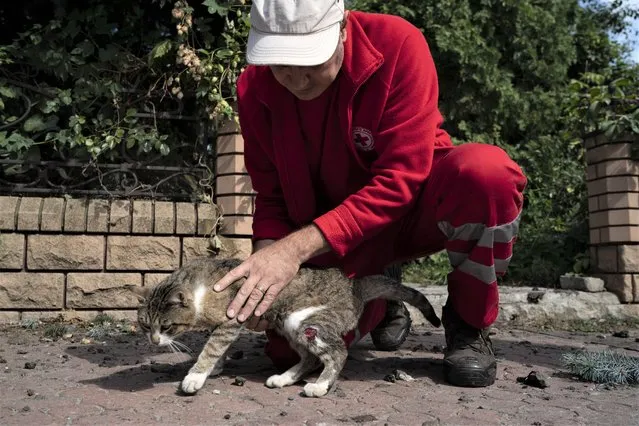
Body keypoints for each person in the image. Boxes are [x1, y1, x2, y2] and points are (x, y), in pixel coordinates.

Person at [213, 0, 527, 388]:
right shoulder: (254, 88)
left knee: (487, 174)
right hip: (338, 236)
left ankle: (468, 324)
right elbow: (272, 196)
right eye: (280, 63)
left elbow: (400, 180)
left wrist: (291, 251)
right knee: (292, 348)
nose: (296, 79)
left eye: (309, 60)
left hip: (414, 212)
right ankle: (383, 293)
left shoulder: (398, 44)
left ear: (342, 28)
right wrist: (266, 276)